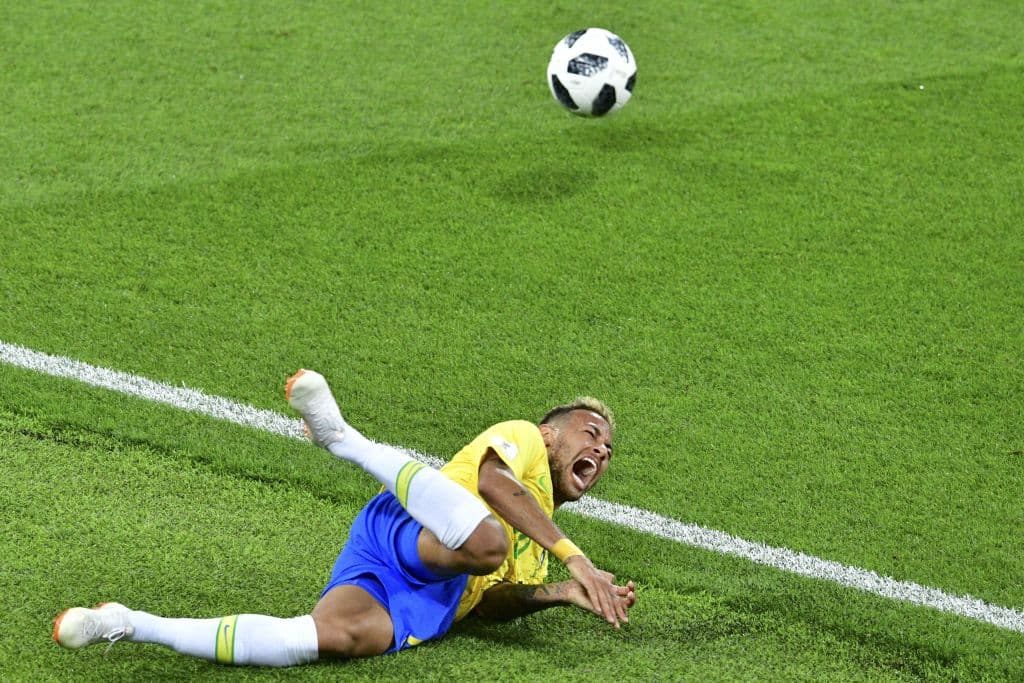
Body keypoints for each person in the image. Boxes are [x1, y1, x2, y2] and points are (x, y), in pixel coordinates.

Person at [53, 369, 636, 666]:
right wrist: (576, 558)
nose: (601, 451)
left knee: (327, 637)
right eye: (592, 434)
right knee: (487, 542)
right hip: (410, 530)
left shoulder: (539, 540)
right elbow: (492, 484)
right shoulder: (521, 441)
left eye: (608, 450)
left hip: (422, 597)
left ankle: (129, 623)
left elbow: (489, 604)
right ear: (549, 434)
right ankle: (343, 439)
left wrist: (560, 591)